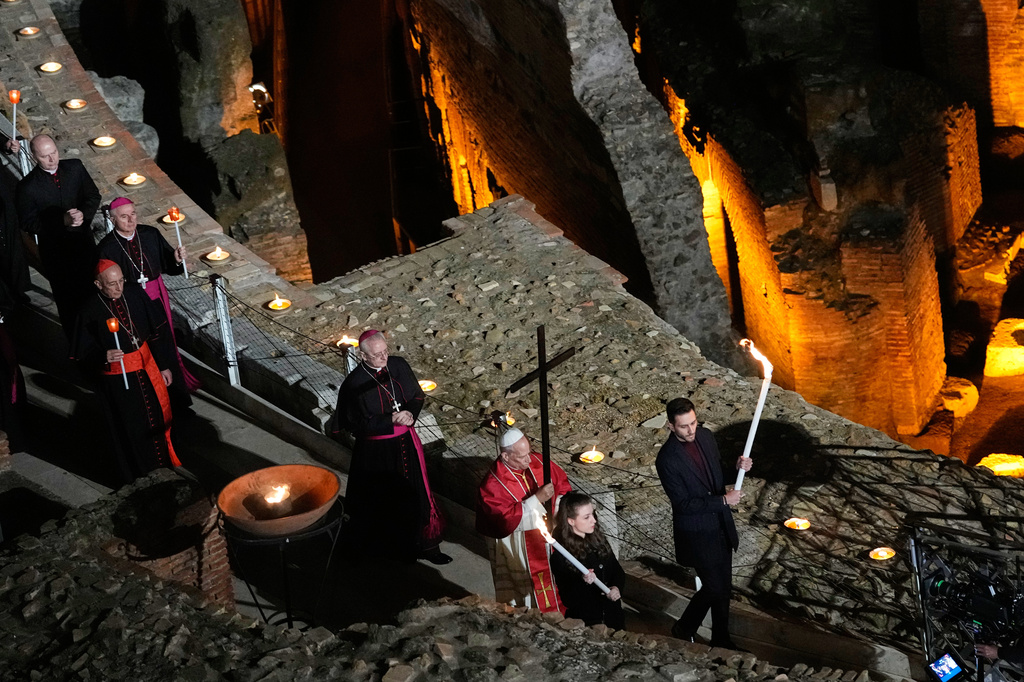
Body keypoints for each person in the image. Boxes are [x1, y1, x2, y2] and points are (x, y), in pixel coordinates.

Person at [331, 329, 450, 564]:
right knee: (383, 502)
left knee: (418, 494)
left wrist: (410, 414)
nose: (384, 358)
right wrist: (389, 420)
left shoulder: (398, 366)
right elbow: (354, 424)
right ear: (364, 357)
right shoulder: (354, 383)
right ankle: (392, 552)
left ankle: (427, 545)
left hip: (407, 441)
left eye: (385, 352)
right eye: (377, 355)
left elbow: (416, 396)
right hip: (378, 454)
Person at [656, 397, 752, 649]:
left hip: (720, 525)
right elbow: (683, 505)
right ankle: (685, 627)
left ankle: (720, 638)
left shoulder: (706, 436)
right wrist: (723, 500)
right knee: (713, 586)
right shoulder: (667, 459)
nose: (690, 431)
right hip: (698, 533)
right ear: (670, 426)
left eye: (693, 423)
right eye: (684, 426)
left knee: (723, 587)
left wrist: (738, 468)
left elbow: (716, 474)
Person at [72, 260, 180, 484]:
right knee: (133, 428)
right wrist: (103, 356)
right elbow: (80, 354)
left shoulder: (134, 294)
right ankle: (141, 473)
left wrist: (163, 365)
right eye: (112, 284)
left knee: (157, 418)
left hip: (148, 368)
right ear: (98, 284)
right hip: (120, 381)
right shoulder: (89, 310)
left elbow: (156, 332)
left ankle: (165, 464)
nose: (119, 288)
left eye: (121, 280)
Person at [96, 197, 200, 401]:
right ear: (113, 219)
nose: (130, 220)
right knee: (143, 344)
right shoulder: (106, 248)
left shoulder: (150, 234)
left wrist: (176, 260)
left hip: (156, 295)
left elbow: (168, 265)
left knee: (166, 342)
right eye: (124, 217)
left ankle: (177, 395)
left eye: (133, 214)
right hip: (131, 302)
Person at [476, 427, 572, 612]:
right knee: (527, 588)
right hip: (519, 545)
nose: (530, 459)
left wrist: (558, 506)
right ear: (505, 456)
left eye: (529, 452)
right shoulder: (493, 484)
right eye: (522, 457)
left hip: (552, 537)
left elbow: (562, 486)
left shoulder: (536, 460)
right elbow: (504, 521)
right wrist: (537, 499)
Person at [16, 134, 101, 338]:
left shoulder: (75, 168)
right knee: (68, 300)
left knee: (94, 291)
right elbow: (28, 222)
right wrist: (60, 222)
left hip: (83, 244)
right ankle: (79, 344)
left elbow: (93, 196)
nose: (52, 159)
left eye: (53, 152)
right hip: (57, 254)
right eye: (45, 156)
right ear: (35, 157)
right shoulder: (27, 187)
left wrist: (84, 214)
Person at [551, 492, 625, 629]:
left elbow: (617, 570)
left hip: (613, 616)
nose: (594, 520)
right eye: (586, 517)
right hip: (587, 622)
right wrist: (583, 582)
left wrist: (616, 587)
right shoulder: (561, 556)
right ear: (571, 521)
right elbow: (569, 598)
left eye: (593, 514)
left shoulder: (599, 540)